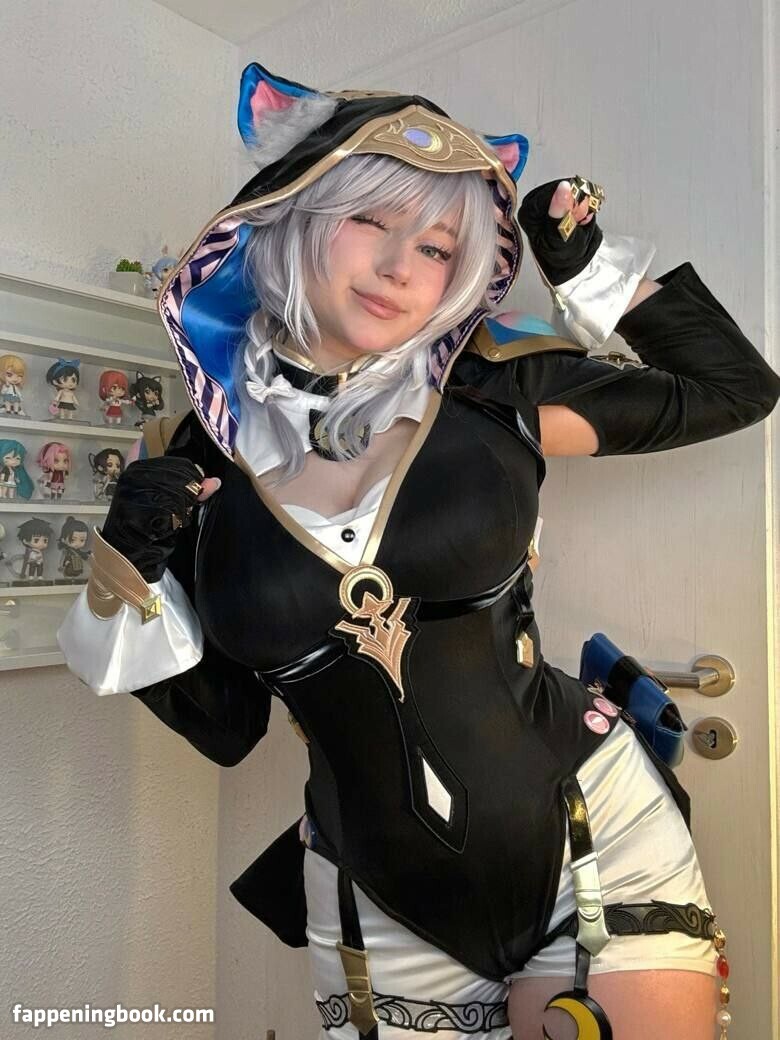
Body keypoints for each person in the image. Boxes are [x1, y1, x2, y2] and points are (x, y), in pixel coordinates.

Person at [57, 62, 779, 1040]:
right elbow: (225, 726)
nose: (402, 267)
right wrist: (127, 562)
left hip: (592, 832)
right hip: (373, 901)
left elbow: (734, 389)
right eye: (370, 220)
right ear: (292, 216)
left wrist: (585, 268)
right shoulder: (192, 457)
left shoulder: (489, 384)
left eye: (438, 246)